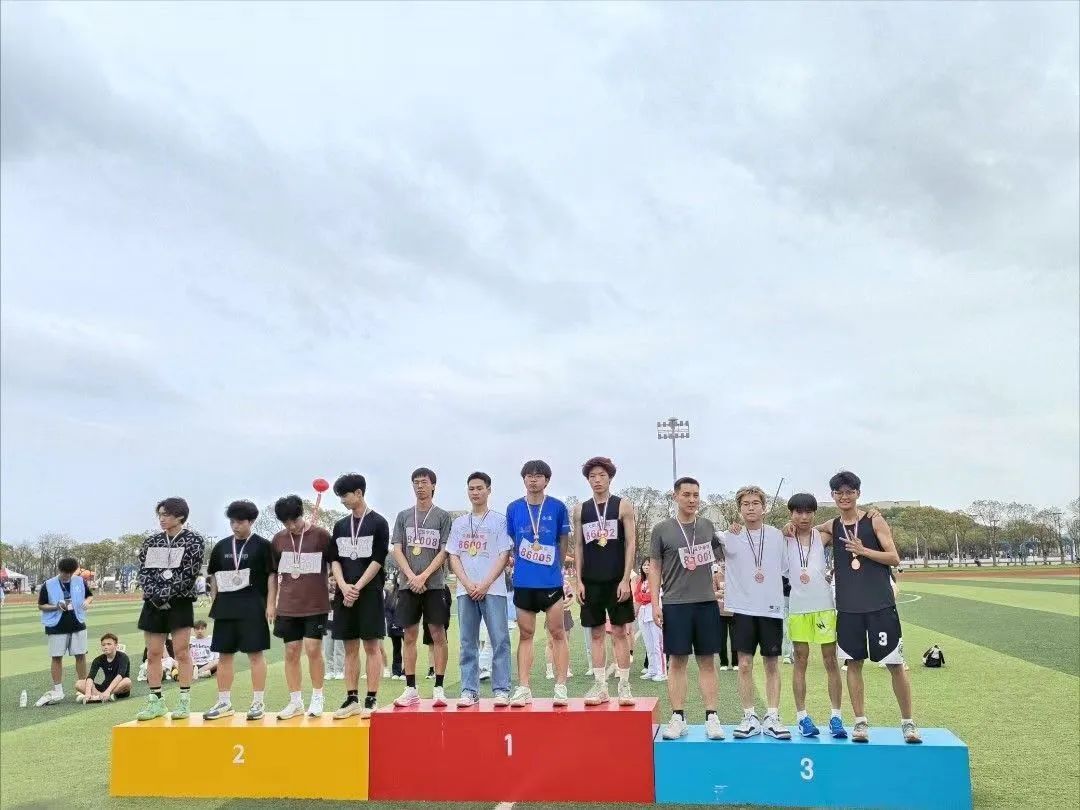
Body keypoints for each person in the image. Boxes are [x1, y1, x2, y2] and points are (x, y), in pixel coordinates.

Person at [811, 471, 922, 743]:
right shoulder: (833, 526)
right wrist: (791, 526)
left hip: (880, 605)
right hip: (849, 608)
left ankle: (908, 723)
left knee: (895, 664)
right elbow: (809, 531)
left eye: (849, 491)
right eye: (839, 492)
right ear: (833, 496)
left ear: (858, 493)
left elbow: (894, 557)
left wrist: (864, 551)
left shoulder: (874, 520)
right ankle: (860, 722)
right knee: (853, 664)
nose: (844, 497)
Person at [649, 477, 725, 741]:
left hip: (706, 603)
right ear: (675, 496)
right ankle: (678, 717)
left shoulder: (707, 526)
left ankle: (712, 717)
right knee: (677, 662)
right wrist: (655, 603)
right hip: (675, 604)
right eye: (686, 495)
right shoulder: (661, 529)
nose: (692, 500)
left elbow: (724, 552)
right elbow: (655, 567)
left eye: (695, 495)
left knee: (707, 661)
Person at [720, 485, 790, 740]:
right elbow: (700, 532)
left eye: (755, 503)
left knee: (772, 663)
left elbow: (787, 567)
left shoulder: (778, 536)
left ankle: (772, 716)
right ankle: (749, 716)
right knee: (745, 664)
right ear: (739, 509)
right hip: (742, 609)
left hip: (771, 609)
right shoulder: (729, 536)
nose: (750, 508)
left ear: (764, 507)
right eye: (745, 504)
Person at [506, 460, 572, 707]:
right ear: (523, 479)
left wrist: (557, 568)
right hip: (524, 581)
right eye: (529, 476)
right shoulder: (514, 508)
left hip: (550, 582)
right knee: (526, 634)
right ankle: (524, 688)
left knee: (557, 632)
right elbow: (511, 541)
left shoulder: (557, 507)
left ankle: (561, 687)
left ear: (547, 480)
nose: (533, 479)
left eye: (538, 476)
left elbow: (563, 541)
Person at [202, 500, 275, 721]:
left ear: (251, 521)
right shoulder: (222, 546)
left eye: (240, 522)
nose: (235, 526)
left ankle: (258, 702)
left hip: (253, 607)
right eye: (232, 522)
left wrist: (271, 604)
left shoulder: (263, 545)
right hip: (225, 608)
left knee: (255, 655)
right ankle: (224, 702)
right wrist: (215, 601)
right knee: (224, 656)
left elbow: (272, 576)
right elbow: (214, 577)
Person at [573, 456, 638, 706]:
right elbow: (579, 546)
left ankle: (624, 685)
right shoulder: (581, 509)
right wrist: (578, 580)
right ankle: (601, 686)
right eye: (592, 476)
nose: (597, 480)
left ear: (610, 478)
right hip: (591, 581)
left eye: (602, 475)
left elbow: (631, 543)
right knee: (596, 633)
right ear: (587, 480)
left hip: (616, 580)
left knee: (619, 632)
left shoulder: (623, 506)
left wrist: (626, 578)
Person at [446, 471, 513, 707]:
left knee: (500, 639)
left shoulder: (499, 521)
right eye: (471, 489)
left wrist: (484, 584)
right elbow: (453, 555)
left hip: (493, 589)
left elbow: (504, 555)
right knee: (467, 642)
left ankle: (502, 689)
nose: (475, 492)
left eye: (479, 488)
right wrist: (466, 582)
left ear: (488, 490)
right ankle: (469, 690)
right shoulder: (459, 523)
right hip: (465, 590)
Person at [783, 493, 846, 739]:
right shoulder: (783, 538)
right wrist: (785, 527)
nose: (803, 517)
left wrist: (817, 526)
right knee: (800, 660)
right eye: (798, 512)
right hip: (798, 608)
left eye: (808, 512)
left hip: (824, 607)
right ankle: (802, 718)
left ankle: (836, 717)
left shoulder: (822, 537)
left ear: (814, 514)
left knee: (831, 661)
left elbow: (838, 522)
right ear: (791, 514)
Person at [136, 497, 204, 721]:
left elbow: (189, 573)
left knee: (181, 652)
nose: (162, 519)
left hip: (179, 602)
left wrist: (164, 594)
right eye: (160, 515)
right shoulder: (152, 541)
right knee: (153, 653)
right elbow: (144, 572)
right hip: (153, 603)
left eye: (166, 514)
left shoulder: (193, 540)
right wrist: (154, 595)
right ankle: (156, 701)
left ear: (180, 516)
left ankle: (184, 700)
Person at [329, 473, 390, 719]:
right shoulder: (340, 526)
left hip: (370, 592)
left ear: (359, 493)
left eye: (345, 495)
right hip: (344, 594)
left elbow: (378, 559)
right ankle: (352, 698)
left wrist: (357, 587)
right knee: (349, 646)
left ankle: (371, 699)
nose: (342, 501)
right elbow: (334, 559)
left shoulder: (379, 523)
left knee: (372, 646)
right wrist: (344, 586)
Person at [391, 468, 453, 708]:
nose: (420, 486)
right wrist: (411, 576)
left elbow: (445, 550)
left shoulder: (442, 516)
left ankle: (439, 687)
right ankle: (410, 688)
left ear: (433, 485)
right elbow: (397, 549)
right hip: (408, 586)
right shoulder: (403, 516)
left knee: (438, 634)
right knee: (409, 635)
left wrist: (424, 576)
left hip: (434, 585)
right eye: (416, 482)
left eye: (424, 482)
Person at [270, 494, 335, 720]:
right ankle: (295, 701)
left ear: (302, 514)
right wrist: (271, 603)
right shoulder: (278, 540)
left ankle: (317, 696)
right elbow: (272, 574)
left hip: (316, 604)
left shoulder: (321, 536)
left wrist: (337, 583)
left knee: (313, 649)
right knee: (291, 651)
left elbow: (335, 563)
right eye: (286, 522)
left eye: (294, 520)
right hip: (288, 606)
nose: (291, 526)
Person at [35, 557, 93, 707]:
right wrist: (56, 606)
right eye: (65, 573)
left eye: (70, 573)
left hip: (77, 622)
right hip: (56, 625)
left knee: (81, 655)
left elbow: (89, 595)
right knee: (56, 657)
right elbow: (41, 605)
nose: (67, 576)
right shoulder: (49, 584)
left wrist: (87, 602)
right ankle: (58, 690)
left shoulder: (79, 581)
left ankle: (82, 688)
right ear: (59, 570)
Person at [76, 633, 132, 703]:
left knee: (127, 681)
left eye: (109, 644)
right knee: (79, 683)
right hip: (104, 687)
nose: (106, 647)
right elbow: (90, 677)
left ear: (116, 645)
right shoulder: (98, 659)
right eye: (103, 645)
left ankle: (100, 696)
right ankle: (101, 697)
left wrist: (108, 691)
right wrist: (88, 693)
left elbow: (120, 676)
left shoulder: (123, 657)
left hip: (119, 688)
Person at [634, 560, 665, 681]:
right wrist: (643, 598)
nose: (646, 567)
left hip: (654, 611)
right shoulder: (641, 581)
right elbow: (637, 596)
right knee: (649, 644)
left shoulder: (657, 579)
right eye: (644, 565)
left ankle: (661, 672)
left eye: (648, 564)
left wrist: (644, 597)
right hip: (643, 613)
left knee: (658, 643)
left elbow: (653, 595)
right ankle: (652, 670)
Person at [713, 564, 735, 671]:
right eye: (722, 561)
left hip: (734, 612)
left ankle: (735, 663)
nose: (724, 564)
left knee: (735, 639)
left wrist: (721, 592)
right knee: (722, 639)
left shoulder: (735, 574)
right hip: (720, 613)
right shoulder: (715, 576)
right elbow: (713, 593)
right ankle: (723, 662)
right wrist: (725, 594)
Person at [324, 575, 346, 680]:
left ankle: (339, 671)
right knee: (328, 650)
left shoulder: (343, 591)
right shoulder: (324, 591)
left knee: (339, 649)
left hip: (340, 624)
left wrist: (336, 597)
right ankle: (329, 671)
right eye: (331, 580)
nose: (333, 582)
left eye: (335, 580)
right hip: (327, 625)